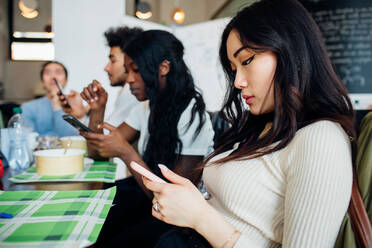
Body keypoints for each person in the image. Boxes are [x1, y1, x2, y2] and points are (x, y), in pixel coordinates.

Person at [142, 0, 357, 247]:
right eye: (233, 69)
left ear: (291, 51)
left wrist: (201, 217)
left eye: (246, 61)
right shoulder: (263, 126)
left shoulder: (321, 138)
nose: (237, 82)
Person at [80, 30, 215, 246]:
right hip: (148, 199)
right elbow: (98, 152)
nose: (130, 79)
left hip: (180, 217)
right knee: (91, 218)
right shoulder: (145, 107)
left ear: (164, 67)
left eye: (137, 70)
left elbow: (175, 199)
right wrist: (98, 110)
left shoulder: (190, 113)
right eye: (127, 71)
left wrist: (126, 152)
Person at [21, 61, 78, 137]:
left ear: (66, 81)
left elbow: (72, 137)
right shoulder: (28, 107)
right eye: (48, 73)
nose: (53, 77)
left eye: (58, 72)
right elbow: (28, 139)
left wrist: (57, 106)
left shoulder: (75, 106)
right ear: (42, 82)